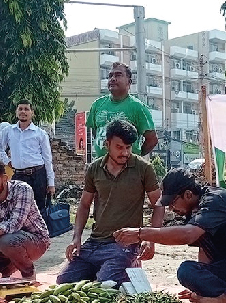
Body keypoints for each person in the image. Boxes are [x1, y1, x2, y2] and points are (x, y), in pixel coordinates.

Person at [113, 168, 226, 303]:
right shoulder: (192, 210)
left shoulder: (215, 199)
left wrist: (142, 233)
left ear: (188, 194)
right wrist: (201, 287)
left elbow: (188, 234)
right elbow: (205, 251)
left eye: (172, 203)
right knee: (186, 270)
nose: (172, 210)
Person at [57, 119, 164, 286]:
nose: (125, 153)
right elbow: (84, 205)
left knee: (106, 285)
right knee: (64, 282)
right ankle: (113, 272)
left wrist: (150, 239)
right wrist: (76, 238)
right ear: (107, 144)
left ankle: (123, 270)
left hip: (125, 245)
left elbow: (158, 204)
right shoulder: (94, 168)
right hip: (94, 243)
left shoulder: (143, 168)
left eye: (128, 148)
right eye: (119, 147)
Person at [87, 62, 158, 158]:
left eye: (118, 75)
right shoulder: (97, 104)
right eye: (110, 76)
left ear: (129, 82)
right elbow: (96, 132)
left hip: (128, 170)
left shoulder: (138, 107)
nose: (112, 79)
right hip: (102, 167)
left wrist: (136, 157)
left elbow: (152, 140)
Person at [0, 100, 54, 212]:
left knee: (38, 209)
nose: (23, 111)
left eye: (26, 109)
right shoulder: (9, 131)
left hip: (38, 175)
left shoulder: (40, 133)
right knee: (18, 208)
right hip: (18, 176)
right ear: (16, 112)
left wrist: (51, 183)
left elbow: (47, 159)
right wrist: (6, 161)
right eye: (20, 109)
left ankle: (39, 230)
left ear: (32, 112)